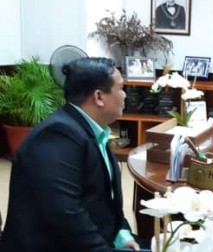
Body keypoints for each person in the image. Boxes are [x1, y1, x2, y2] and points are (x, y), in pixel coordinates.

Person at [0, 58, 143, 251]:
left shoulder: (94, 130)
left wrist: (122, 235)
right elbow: (65, 216)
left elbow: (104, 202)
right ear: (99, 96)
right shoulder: (56, 135)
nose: (125, 95)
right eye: (120, 88)